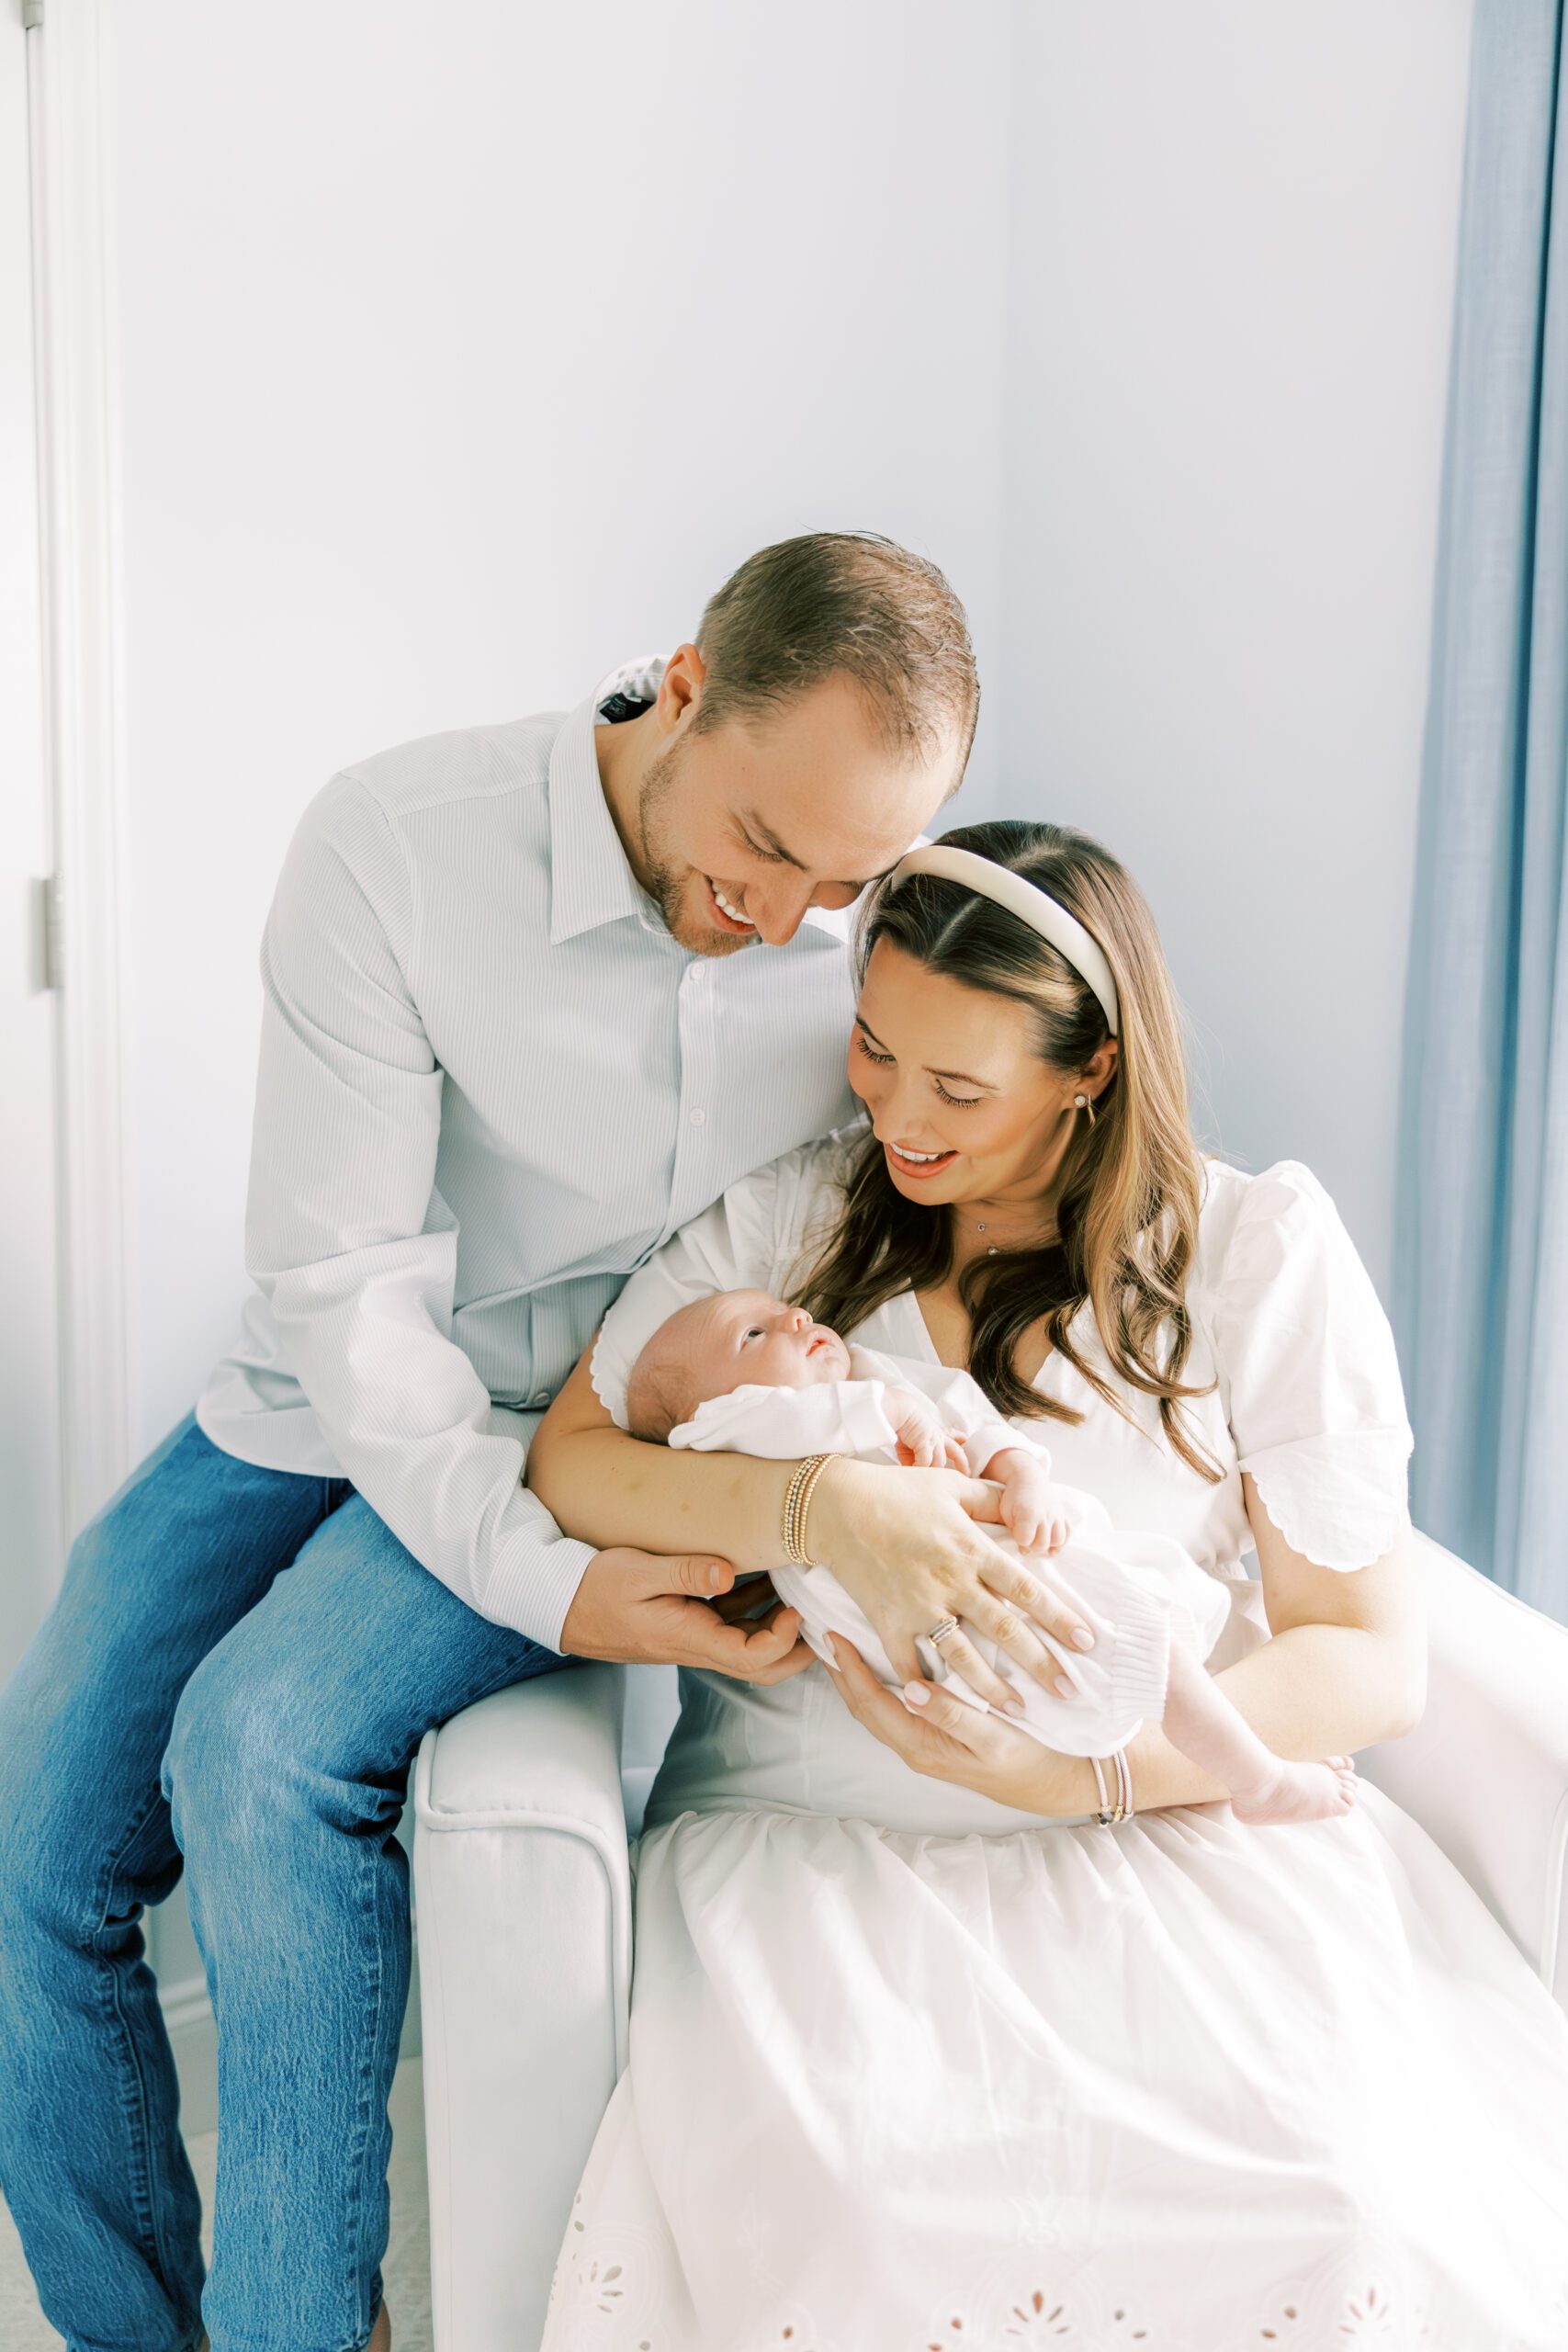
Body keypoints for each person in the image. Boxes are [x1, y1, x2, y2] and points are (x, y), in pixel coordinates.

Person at [0, 534, 1076, 2352]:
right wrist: (550, 1580)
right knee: (39, 1845)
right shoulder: (396, 848)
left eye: (847, 874)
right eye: (759, 846)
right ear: (678, 684)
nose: (793, 917)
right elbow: (346, 1298)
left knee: (259, 1750)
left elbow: (1019, 1095)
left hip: (604, 1422)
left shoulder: (852, 950)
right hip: (325, 1389)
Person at [528, 820, 1568, 2349]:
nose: (894, 1112)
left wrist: (1075, 1775)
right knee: (868, 2212)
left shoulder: (1252, 1254)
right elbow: (574, 1462)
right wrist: (829, 1507)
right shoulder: (791, 1225)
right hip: (823, 1831)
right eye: (876, 1052)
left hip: (1164, 1818)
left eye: (959, 1087)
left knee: (1330, 2193)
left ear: (1090, 1072)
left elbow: (1362, 1653)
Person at [620, 1283, 1361, 1820]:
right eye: (750, 1336)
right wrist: (888, 1412)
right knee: (1149, 1657)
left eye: (782, 1311)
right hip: (941, 1633)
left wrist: (1023, 1478)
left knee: (1157, 1643)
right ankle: (1256, 1778)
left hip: (1007, 1580)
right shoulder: (724, 1437)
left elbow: (976, 1424)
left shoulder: (878, 1376)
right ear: (703, 1415)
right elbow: (784, 1422)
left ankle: (1244, 1771)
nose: (792, 1315)